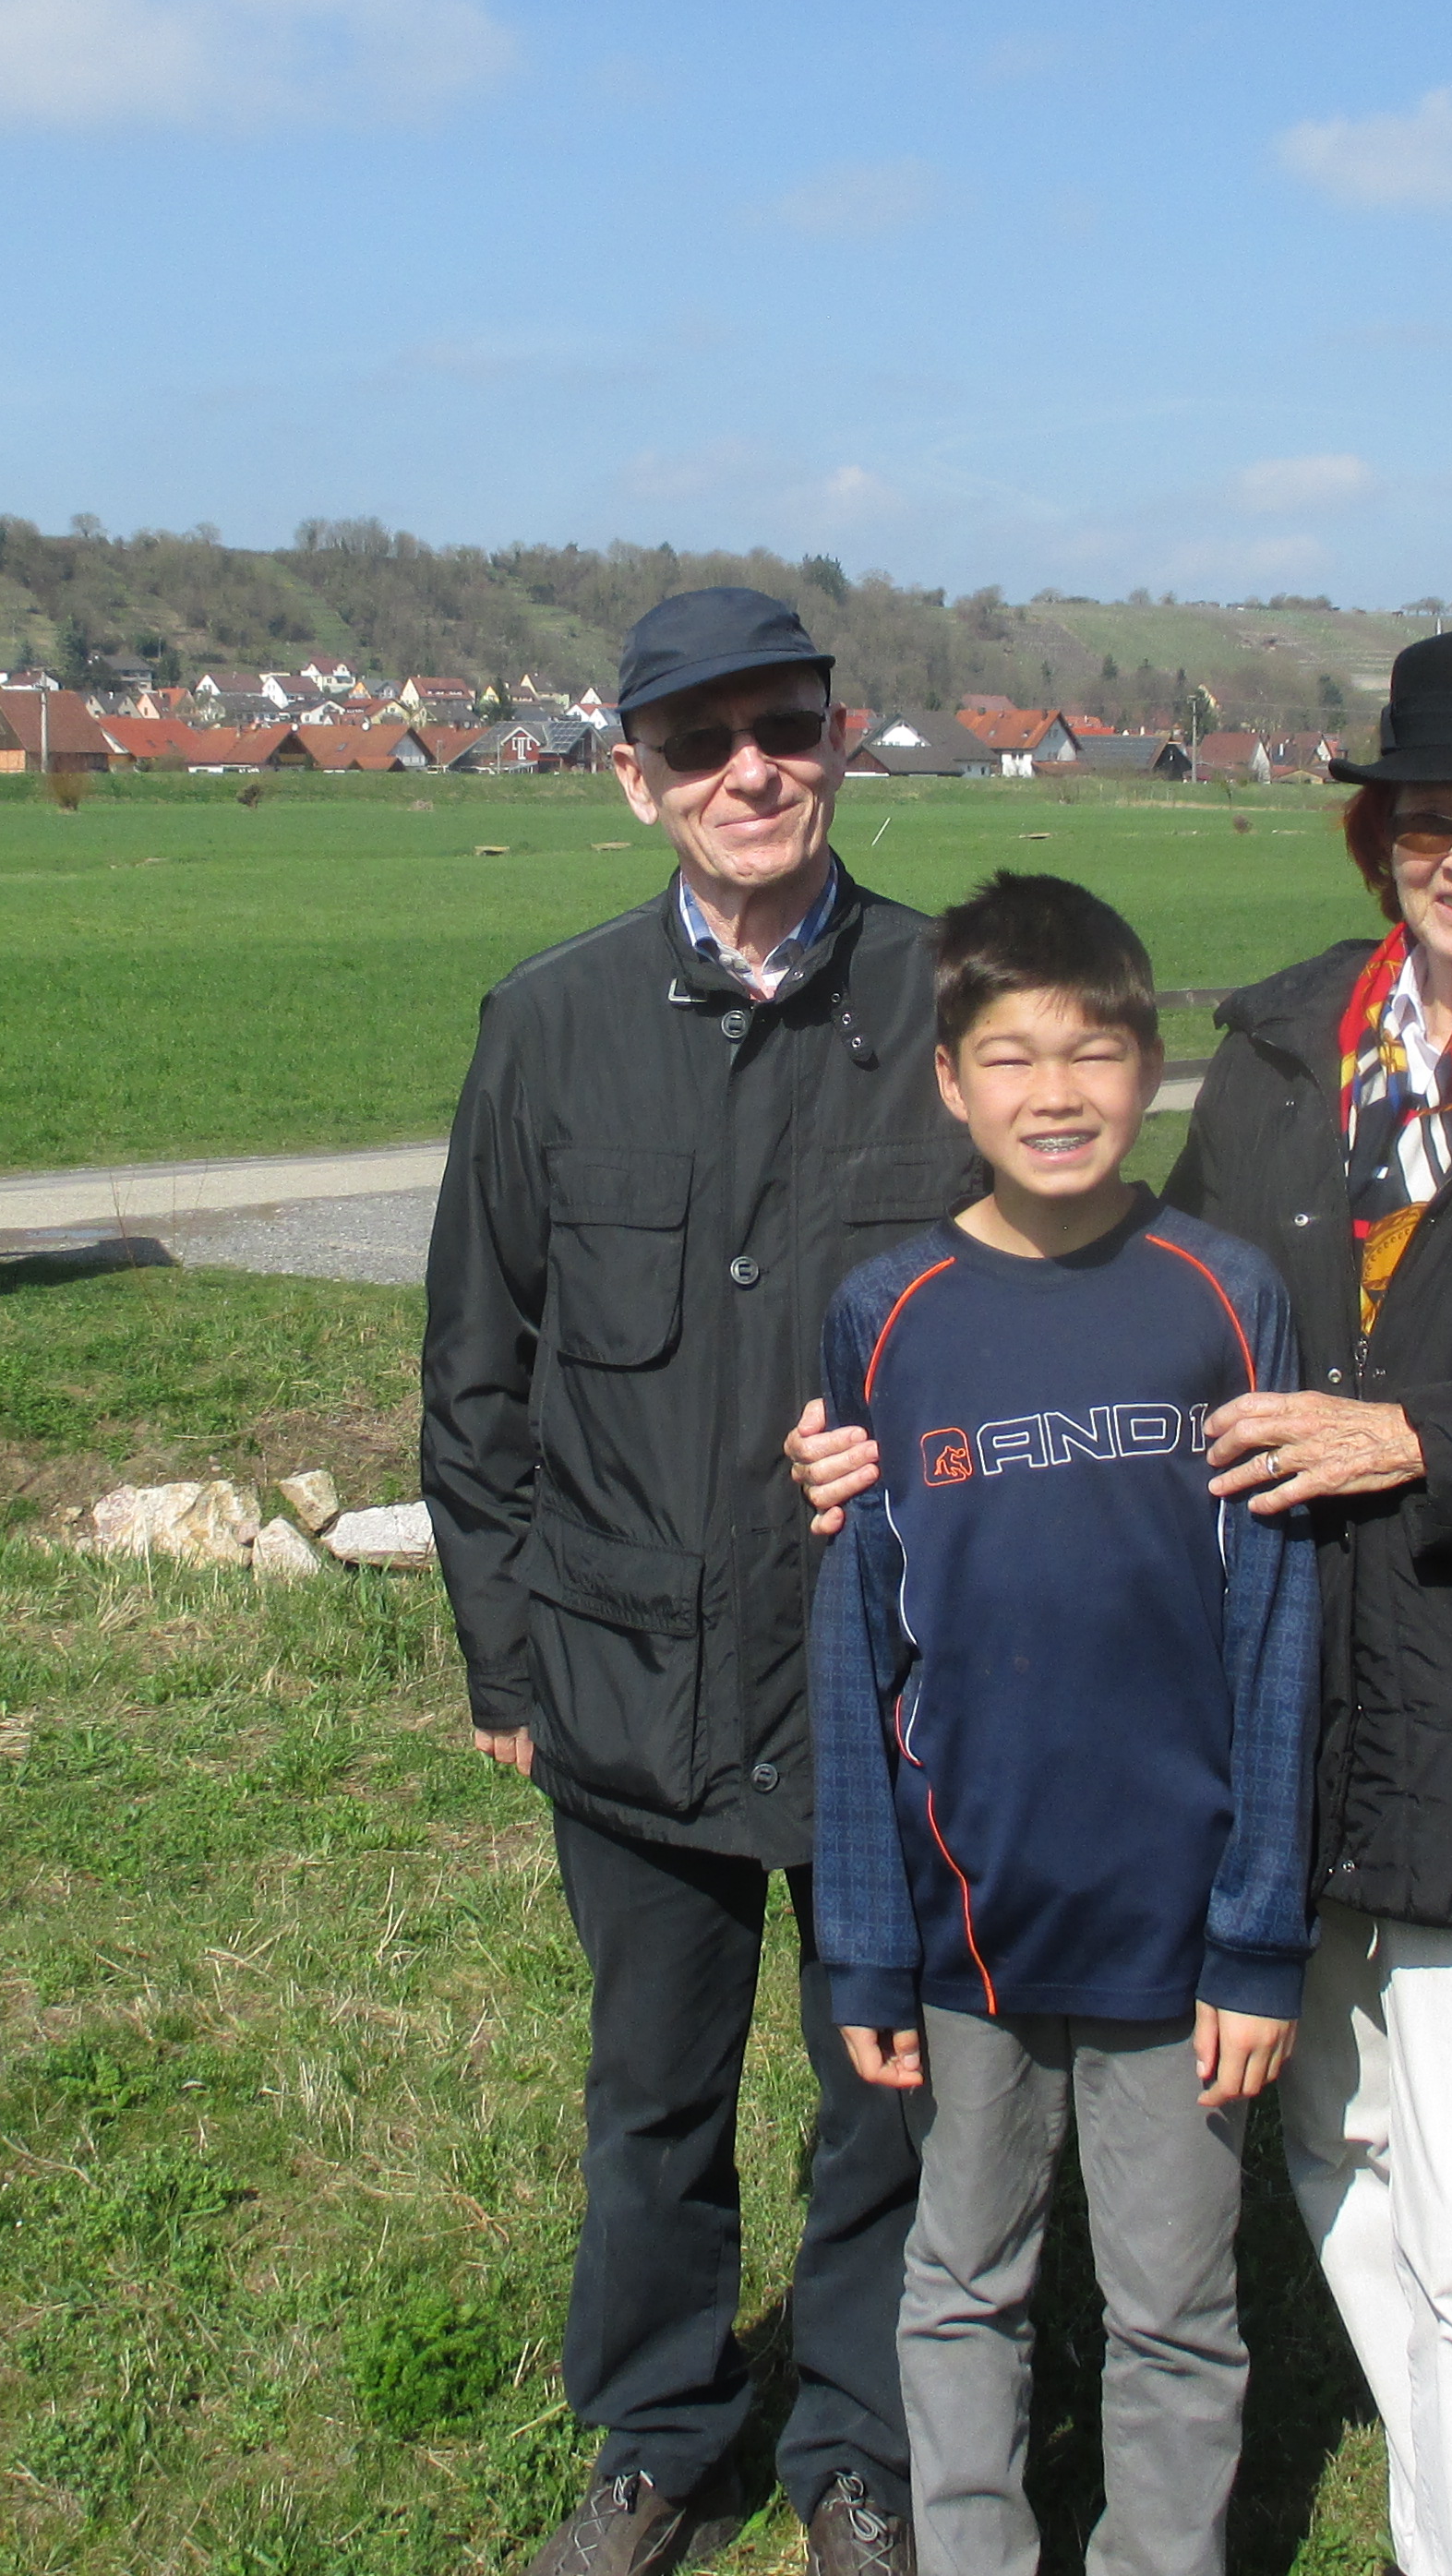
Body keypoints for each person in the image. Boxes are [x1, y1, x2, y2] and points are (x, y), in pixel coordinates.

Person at [786, 621, 1452, 2575]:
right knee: (1334, 2159)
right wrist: (871, 1440)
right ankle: (1440, 2510)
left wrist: (1416, 1438)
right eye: (1430, 823)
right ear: (1378, 839)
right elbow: (1134, 1331)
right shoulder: (1288, 1050)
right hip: (1273, 1712)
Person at [425, 584, 979, 2576]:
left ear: (840, 738)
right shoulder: (550, 1027)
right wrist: (510, 1668)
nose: (751, 772)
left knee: (886, 2089)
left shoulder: (956, 1008)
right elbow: (476, 1380)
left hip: (883, 1683)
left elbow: (1064, 1343)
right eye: (700, 743)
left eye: (786, 729)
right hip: (625, 1676)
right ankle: (655, 2434)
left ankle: (862, 2452)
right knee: (652, 2089)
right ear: (633, 778)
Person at [808, 874, 1316, 2576]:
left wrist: (1259, 1940)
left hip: (1179, 1929)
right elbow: (855, 1644)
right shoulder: (887, 1315)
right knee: (965, 2280)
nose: (1055, 1092)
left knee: (1174, 2306)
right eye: (1012, 1057)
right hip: (970, 1920)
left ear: (1152, 1068)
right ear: (949, 1082)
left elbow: (1276, 1629)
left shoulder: (1224, 1296)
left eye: (1094, 1052)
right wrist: (866, 1948)